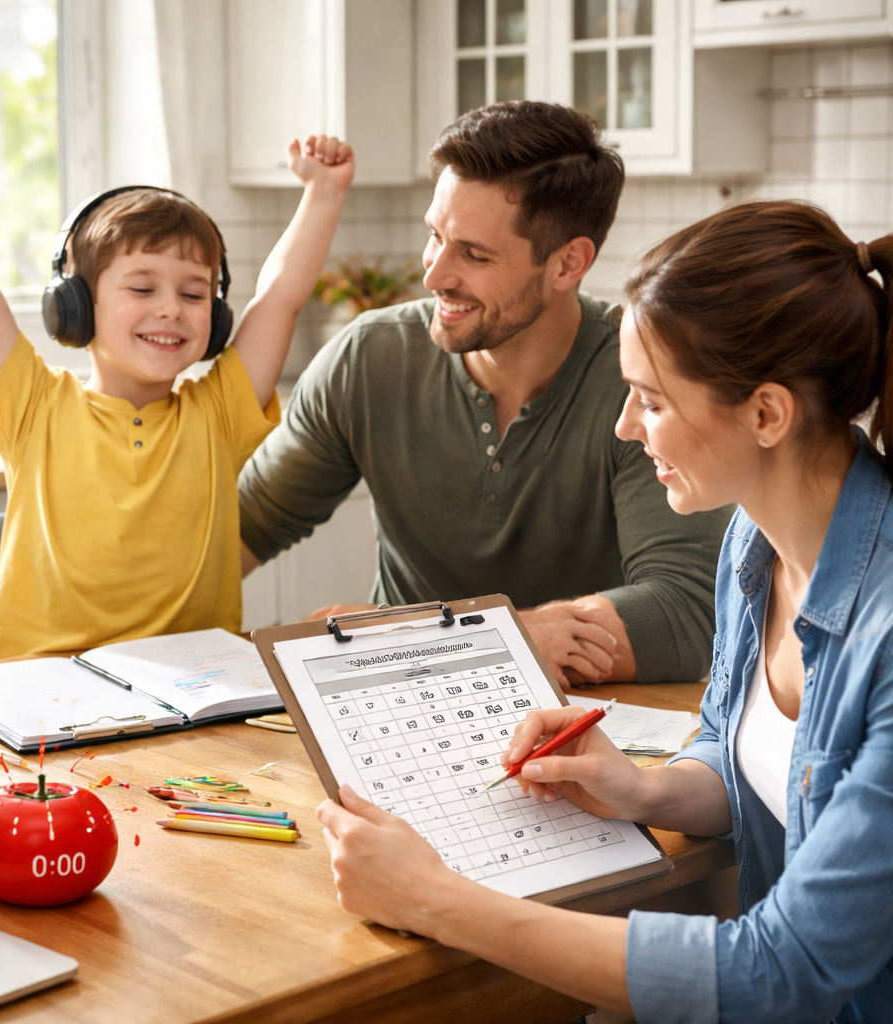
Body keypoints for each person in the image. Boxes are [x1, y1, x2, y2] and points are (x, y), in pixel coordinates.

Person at [316, 201, 893, 1024]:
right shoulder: (751, 546)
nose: (626, 428)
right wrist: (642, 791)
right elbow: (752, 764)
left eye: (651, 402)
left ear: (767, 414)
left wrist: (439, 900)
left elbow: (781, 973)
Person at [239, 101, 732, 687]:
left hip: (600, 740)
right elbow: (236, 537)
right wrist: (497, 637)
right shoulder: (369, 358)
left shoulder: (643, 380)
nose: (435, 274)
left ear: (568, 263)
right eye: (435, 237)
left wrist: (409, 637)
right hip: (397, 717)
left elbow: (688, 614)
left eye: (473, 254)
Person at [0, 115, 354, 661]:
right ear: (73, 308)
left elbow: (280, 297)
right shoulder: (33, 406)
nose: (171, 307)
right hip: (38, 689)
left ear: (217, 320)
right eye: (143, 287)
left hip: (189, 690)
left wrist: (323, 192)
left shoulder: (220, 413)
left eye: (195, 295)